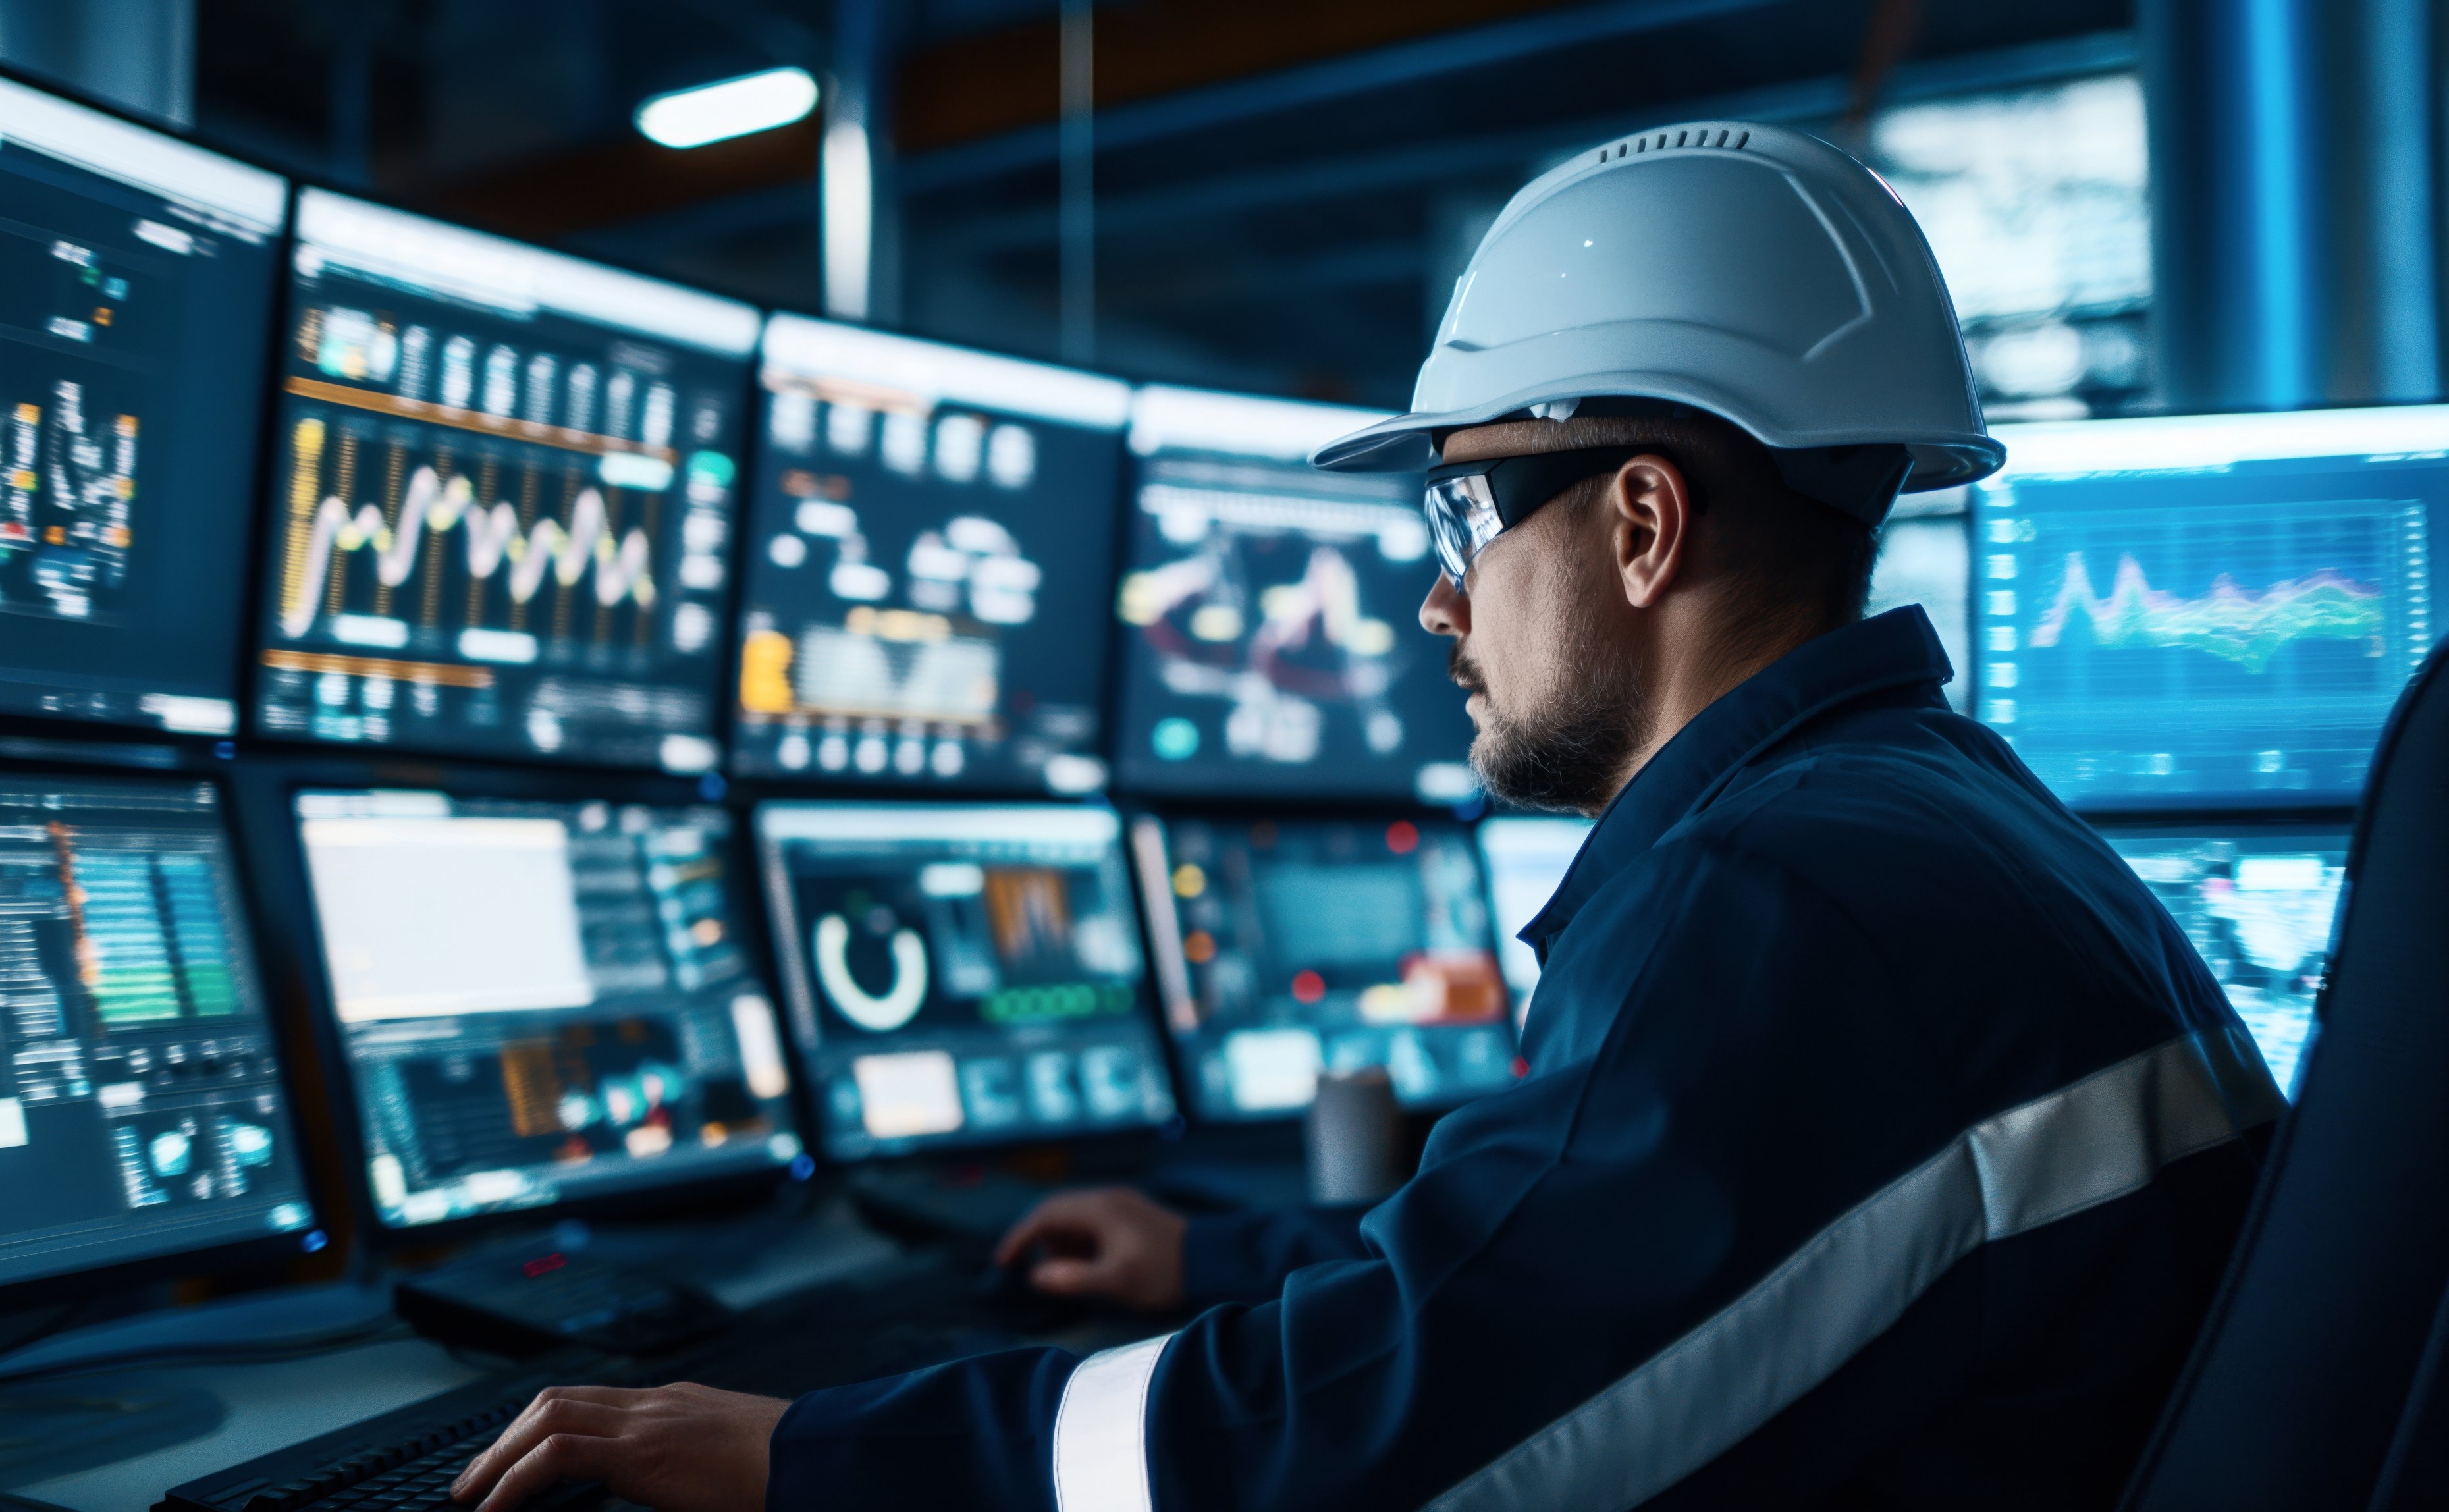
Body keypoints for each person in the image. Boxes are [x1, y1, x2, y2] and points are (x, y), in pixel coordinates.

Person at [444, 121, 2282, 1512]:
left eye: (1461, 520)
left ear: (1642, 524)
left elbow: (1393, 1443)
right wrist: (1221, 1259)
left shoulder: (1786, 898)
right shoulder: (1920, 820)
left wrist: (810, 1461)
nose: (1435, 604)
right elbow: (1564, 1267)